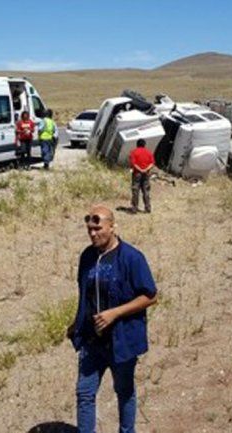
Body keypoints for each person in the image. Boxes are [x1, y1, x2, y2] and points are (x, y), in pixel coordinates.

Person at [67, 205, 158, 433]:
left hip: (121, 341)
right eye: (89, 229)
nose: (93, 234)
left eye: (98, 228)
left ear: (112, 226)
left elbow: (150, 295)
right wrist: (78, 322)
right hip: (91, 341)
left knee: (124, 391)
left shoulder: (131, 258)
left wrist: (114, 313)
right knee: (84, 393)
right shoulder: (87, 256)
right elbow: (85, 295)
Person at [128, 139, 154, 214]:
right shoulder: (149, 152)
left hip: (137, 173)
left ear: (137, 144)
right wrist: (145, 169)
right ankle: (148, 208)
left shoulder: (133, 152)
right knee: (146, 191)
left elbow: (133, 164)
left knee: (135, 190)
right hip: (146, 174)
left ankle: (134, 208)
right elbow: (152, 163)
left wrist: (140, 169)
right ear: (144, 145)